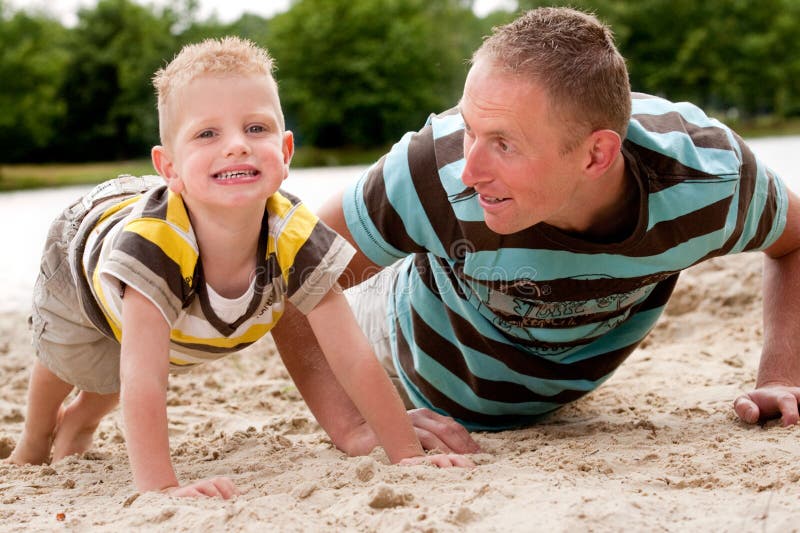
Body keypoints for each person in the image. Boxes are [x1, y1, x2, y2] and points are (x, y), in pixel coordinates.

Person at [269, 7, 800, 451]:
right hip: (396, 324)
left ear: (597, 154)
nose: (470, 170)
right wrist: (354, 427)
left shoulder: (706, 177)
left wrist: (781, 375)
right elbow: (290, 271)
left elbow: (794, 241)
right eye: (470, 128)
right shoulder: (432, 168)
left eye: (504, 143)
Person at [6, 37, 471, 498]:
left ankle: (81, 421)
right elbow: (144, 378)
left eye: (256, 128)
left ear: (286, 152)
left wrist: (404, 452)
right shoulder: (154, 247)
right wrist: (162, 488)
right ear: (169, 165)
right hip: (83, 255)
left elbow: (350, 354)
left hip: (161, 283)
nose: (236, 147)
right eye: (208, 133)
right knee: (72, 356)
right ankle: (34, 438)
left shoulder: (294, 234)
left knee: (114, 366)